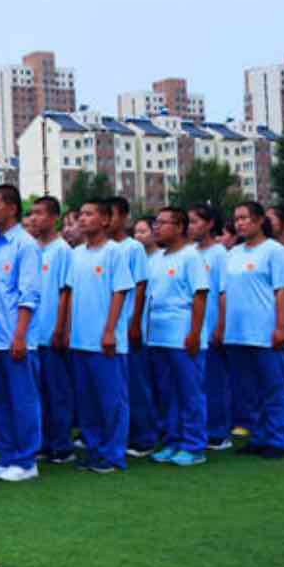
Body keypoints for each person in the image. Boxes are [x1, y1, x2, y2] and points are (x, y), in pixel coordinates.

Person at [0, 184, 42, 482]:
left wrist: (20, 335)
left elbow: (29, 294)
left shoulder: (25, 245)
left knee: (22, 399)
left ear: (12, 208)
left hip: (13, 337)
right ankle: (7, 455)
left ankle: (26, 460)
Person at [65, 199, 134, 473]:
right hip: (80, 340)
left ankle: (114, 454)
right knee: (88, 401)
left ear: (105, 220)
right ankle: (94, 450)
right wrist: (68, 328)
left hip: (106, 342)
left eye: (89, 214)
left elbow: (120, 291)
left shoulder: (114, 253)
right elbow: (70, 293)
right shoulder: (76, 253)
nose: (82, 219)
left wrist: (109, 330)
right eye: (81, 214)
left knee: (112, 400)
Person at [223, 202, 284, 459]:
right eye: (236, 219)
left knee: (273, 388)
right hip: (238, 333)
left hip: (264, 332)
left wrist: (281, 327)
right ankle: (259, 436)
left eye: (245, 218)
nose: (239, 223)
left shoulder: (275, 251)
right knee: (249, 391)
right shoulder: (233, 253)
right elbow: (225, 293)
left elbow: (282, 290)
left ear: (260, 220)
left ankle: (278, 438)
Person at [145, 207, 209, 466]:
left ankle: (194, 445)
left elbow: (200, 296)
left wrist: (194, 333)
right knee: (167, 393)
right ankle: (173, 441)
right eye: (155, 223)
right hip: (159, 335)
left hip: (182, 334)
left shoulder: (191, 257)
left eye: (163, 223)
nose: (156, 228)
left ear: (180, 227)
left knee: (190, 392)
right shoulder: (156, 257)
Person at [27, 196, 74, 463]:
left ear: (54, 217)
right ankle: (43, 441)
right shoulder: (32, 248)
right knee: (37, 392)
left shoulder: (62, 250)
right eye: (32, 213)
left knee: (58, 391)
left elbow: (66, 291)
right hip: (32, 333)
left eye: (39, 214)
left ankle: (62, 444)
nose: (34, 218)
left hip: (51, 330)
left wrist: (61, 328)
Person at [109, 197, 155, 458]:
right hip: (111, 328)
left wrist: (135, 321)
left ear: (124, 217)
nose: (107, 221)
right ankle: (122, 433)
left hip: (128, 325)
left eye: (112, 215)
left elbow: (140, 285)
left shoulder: (132, 247)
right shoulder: (103, 248)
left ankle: (144, 436)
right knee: (117, 386)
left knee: (136, 383)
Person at [188, 205, 232, 450]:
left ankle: (219, 431)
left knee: (215, 382)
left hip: (211, 325)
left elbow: (224, 292)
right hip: (194, 328)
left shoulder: (219, 254)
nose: (191, 226)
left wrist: (220, 326)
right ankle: (199, 428)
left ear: (209, 224)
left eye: (195, 221)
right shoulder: (191, 252)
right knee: (197, 384)